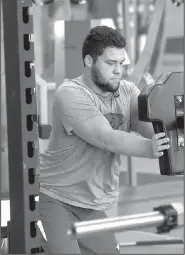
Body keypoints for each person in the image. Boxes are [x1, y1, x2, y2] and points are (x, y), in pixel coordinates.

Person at [39, 25, 170, 254]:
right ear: (89, 61)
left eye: (121, 63)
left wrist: (173, 130)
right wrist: (150, 148)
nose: (118, 70)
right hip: (57, 198)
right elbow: (105, 137)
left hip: (92, 206)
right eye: (111, 63)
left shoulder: (127, 92)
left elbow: (152, 128)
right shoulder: (70, 93)